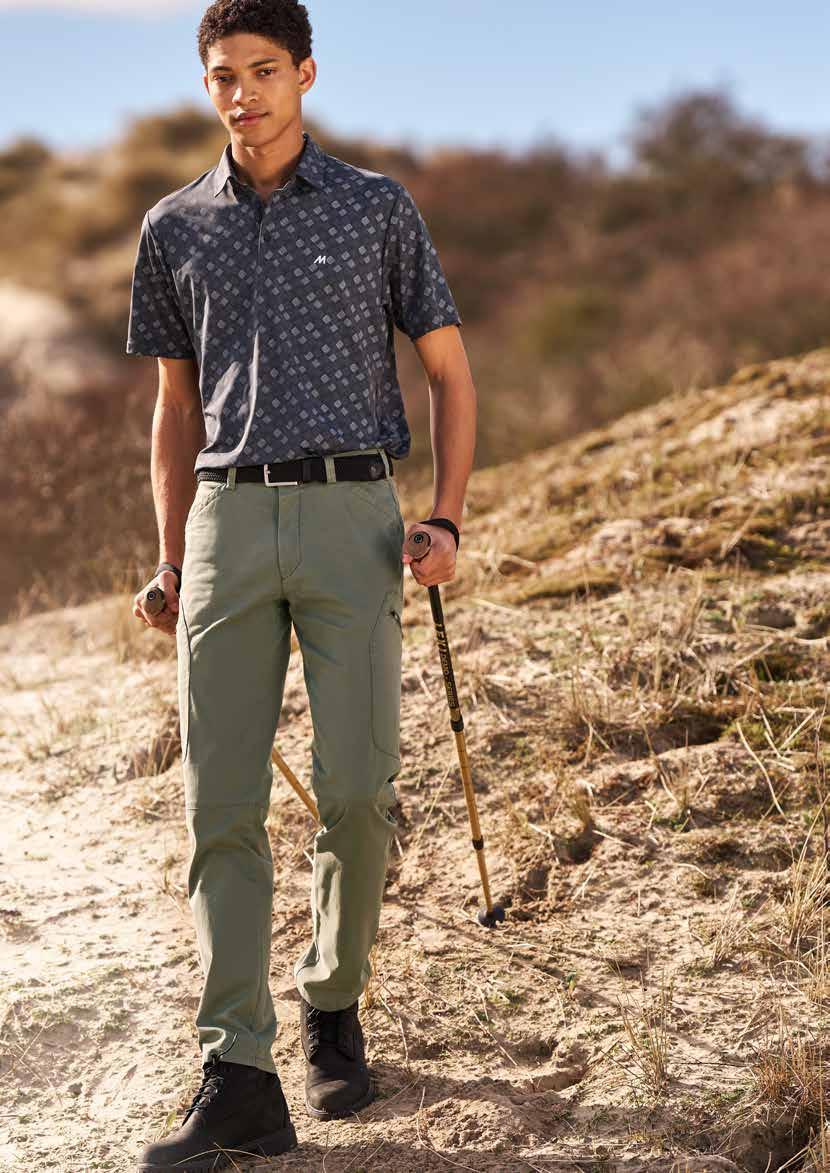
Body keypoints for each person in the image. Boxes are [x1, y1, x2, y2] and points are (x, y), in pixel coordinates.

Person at [128, 0, 476, 1167]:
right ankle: (237, 1070)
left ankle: (333, 1005)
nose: (243, 94)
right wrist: (170, 556)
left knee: (357, 789)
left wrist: (443, 515)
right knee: (218, 804)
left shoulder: (377, 208)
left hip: (350, 519)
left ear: (306, 75)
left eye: (263, 71)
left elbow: (449, 374)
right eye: (223, 75)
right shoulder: (173, 226)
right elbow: (174, 408)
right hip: (225, 520)